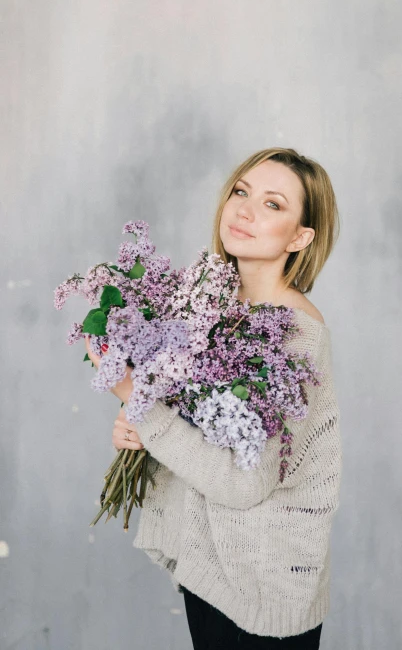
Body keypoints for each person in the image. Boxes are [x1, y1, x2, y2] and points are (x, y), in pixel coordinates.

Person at [92, 147, 343, 648]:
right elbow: (191, 426)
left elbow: (244, 483)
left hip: (262, 585)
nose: (245, 210)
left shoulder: (296, 336)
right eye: (241, 191)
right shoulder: (211, 302)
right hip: (210, 566)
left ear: (301, 236)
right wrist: (136, 423)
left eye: (273, 204)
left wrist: (137, 397)